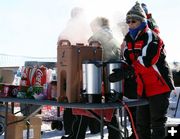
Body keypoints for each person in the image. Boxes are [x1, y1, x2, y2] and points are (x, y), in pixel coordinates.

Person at [117, 2, 174, 139]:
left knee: (157, 124)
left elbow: (146, 61)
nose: (130, 24)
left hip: (159, 86)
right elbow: (128, 59)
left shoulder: (151, 36)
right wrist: (119, 69)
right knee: (141, 125)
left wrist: (128, 71)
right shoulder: (129, 39)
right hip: (143, 88)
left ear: (142, 21)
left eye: (133, 21)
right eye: (128, 21)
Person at [61, 17, 121, 139]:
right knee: (111, 111)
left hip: (96, 78)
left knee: (85, 109)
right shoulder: (115, 39)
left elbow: (88, 56)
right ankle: (116, 136)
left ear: (97, 26)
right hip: (113, 81)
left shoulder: (97, 38)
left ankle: (76, 136)